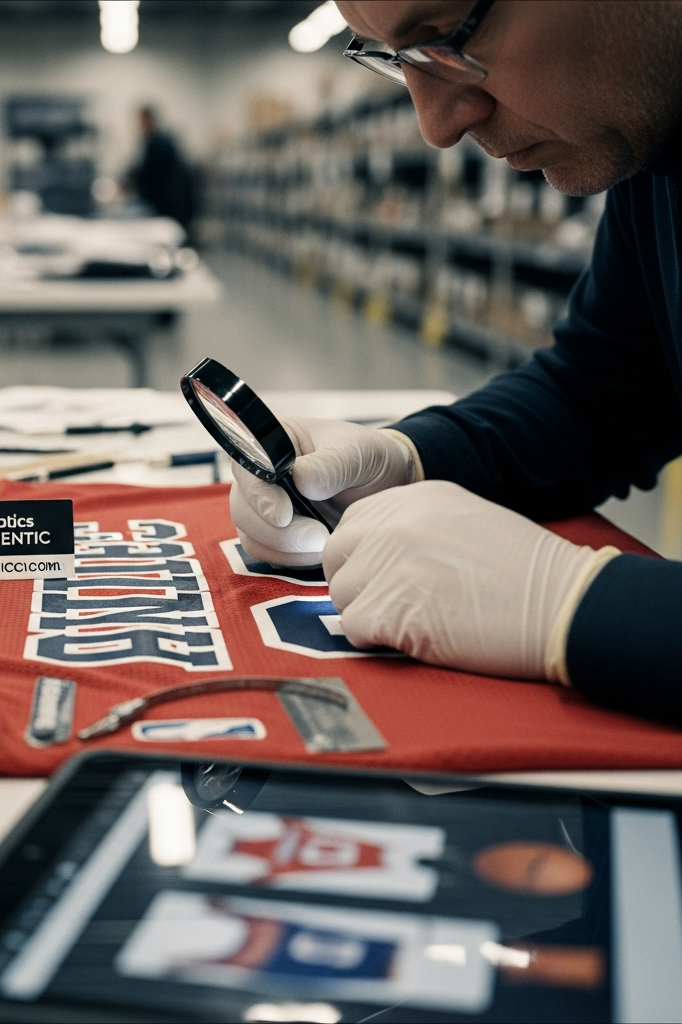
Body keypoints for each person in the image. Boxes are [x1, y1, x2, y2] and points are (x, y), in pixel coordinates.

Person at [231, 0, 682, 724]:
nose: (438, 127)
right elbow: (605, 393)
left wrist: (583, 607)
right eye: (392, 57)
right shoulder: (656, 135)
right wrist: (407, 457)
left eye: (442, 39)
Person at [128, 106, 195, 232]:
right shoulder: (156, 141)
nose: (139, 126)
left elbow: (149, 174)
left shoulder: (158, 144)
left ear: (149, 120)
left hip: (165, 204)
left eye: (141, 121)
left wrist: (130, 181)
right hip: (166, 202)